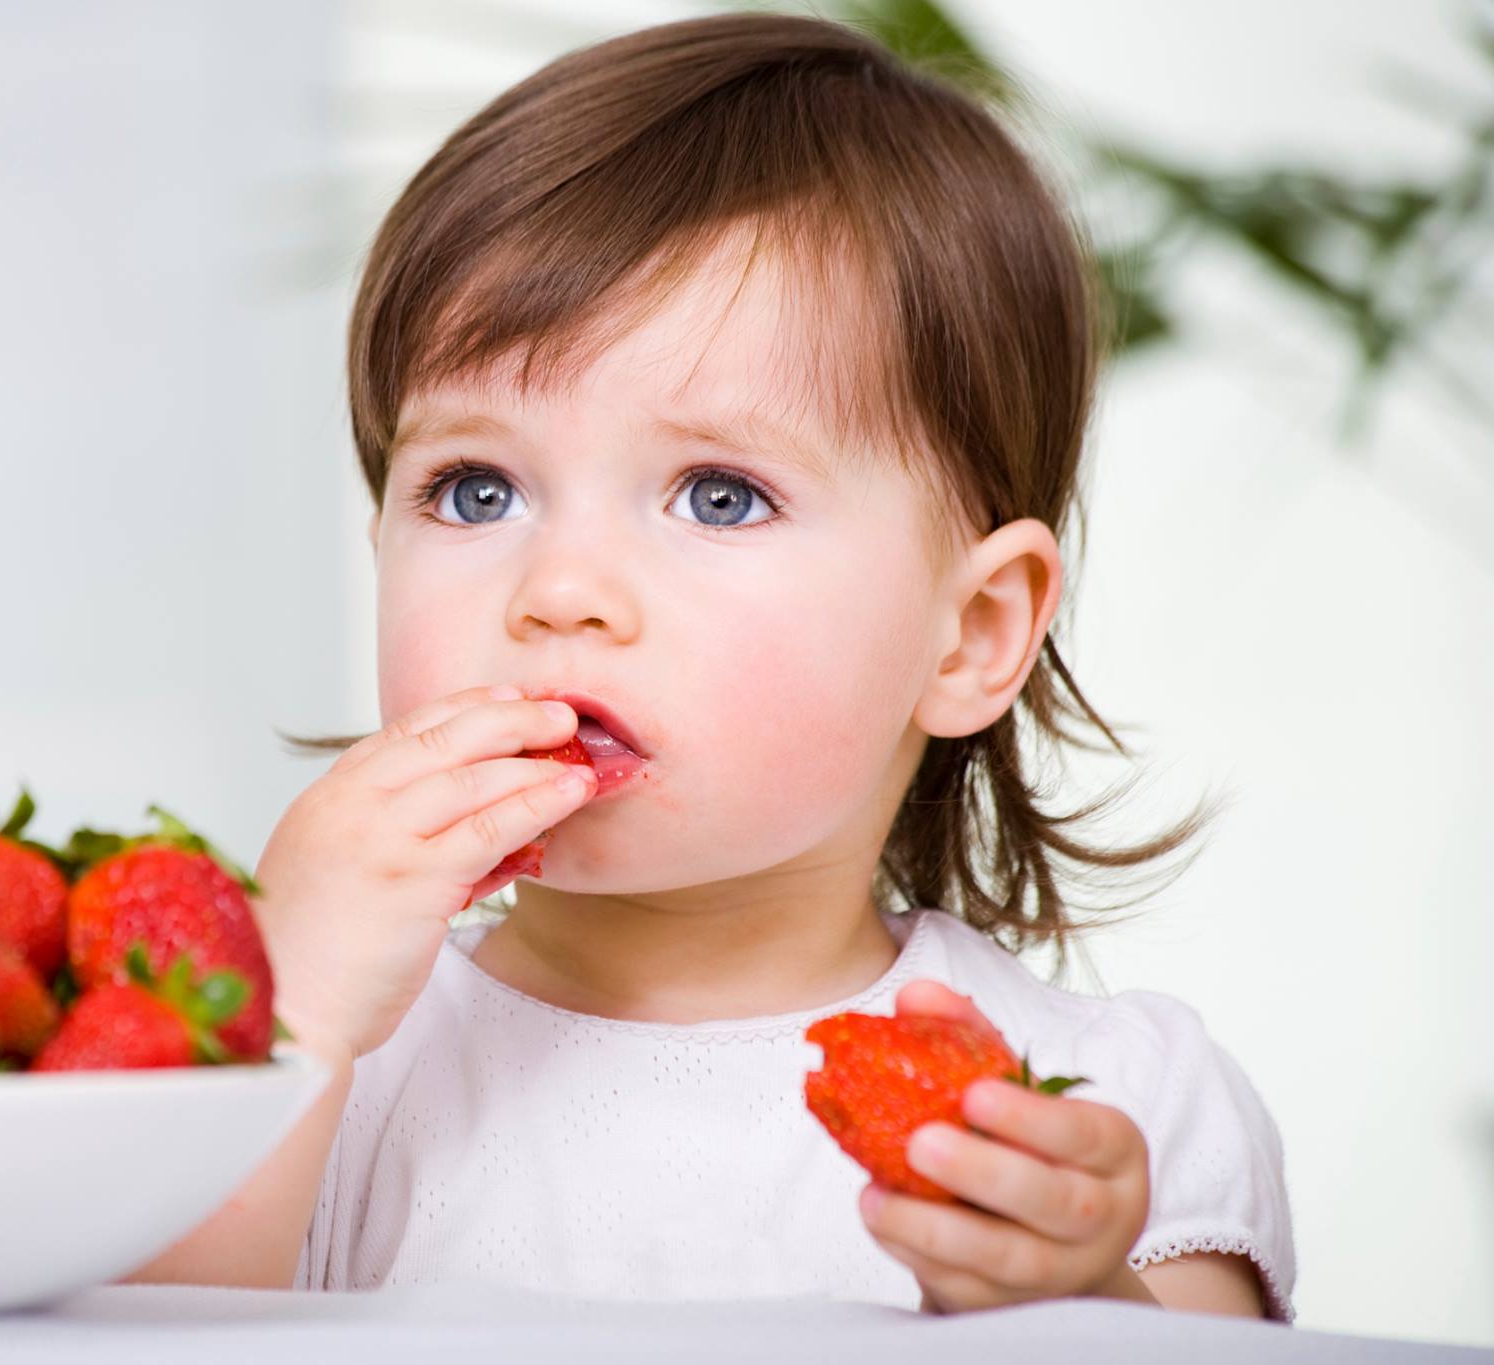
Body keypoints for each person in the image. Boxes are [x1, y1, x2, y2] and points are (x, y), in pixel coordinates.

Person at [129, 12, 1294, 1321]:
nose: (559, 591)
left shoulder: (1099, 1104)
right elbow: (122, 1338)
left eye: (720, 496)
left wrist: (1072, 1297)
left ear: (968, 636)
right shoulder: (338, 1070)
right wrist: (277, 1023)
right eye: (474, 490)